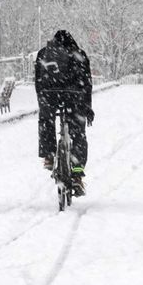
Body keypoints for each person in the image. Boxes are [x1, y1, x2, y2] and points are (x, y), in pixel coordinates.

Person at [35, 30, 94, 197]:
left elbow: (38, 81)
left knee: (46, 122)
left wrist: (43, 102)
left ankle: (49, 155)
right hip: (74, 96)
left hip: (49, 94)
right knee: (78, 134)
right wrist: (87, 108)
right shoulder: (78, 54)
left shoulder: (43, 53)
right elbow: (87, 83)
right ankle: (76, 173)